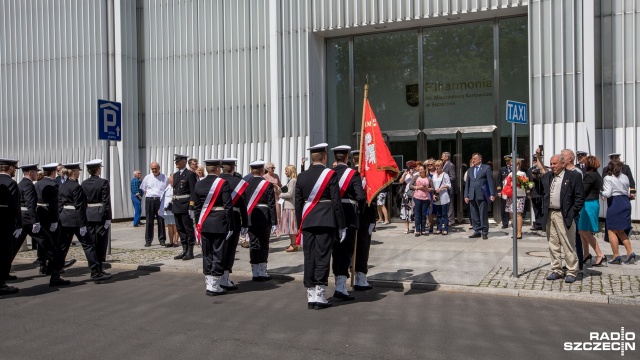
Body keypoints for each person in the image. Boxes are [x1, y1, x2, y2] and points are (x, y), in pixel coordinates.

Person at [295, 143, 346, 310]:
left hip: (307, 220)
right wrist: (341, 225)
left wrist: (300, 223)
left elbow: (298, 203)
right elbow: (336, 202)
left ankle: (311, 295)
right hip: (326, 220)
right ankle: (320, 295)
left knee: (309, 257)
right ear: (324, 157)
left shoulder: (301, 176)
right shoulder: (330, 174)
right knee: (323, 256)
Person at [12, 163, 69, 286]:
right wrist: (35, 221)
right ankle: (56, 273)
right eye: (34, 171)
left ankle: (3, 275)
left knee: (13, 248)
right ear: (30, 172)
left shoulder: (21, 184)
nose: (36, 174)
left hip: (23, 220)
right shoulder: (28, 185)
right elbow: (30, 204)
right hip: (29, 220)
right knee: (48, 245)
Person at [58, 163, 112, 282]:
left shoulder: (63, 185)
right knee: (89, 245)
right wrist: (82, 224)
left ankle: (55, 274)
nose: (79, 173)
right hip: (77, 219)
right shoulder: (76, 186)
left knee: (62, 247)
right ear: (74, 172)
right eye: (78, 171)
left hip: (65, 219)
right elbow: (80, 206)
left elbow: (60, 204)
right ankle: (95, 271)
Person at [539, 154, 584, 283]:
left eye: (555, 164)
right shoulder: (548, 176)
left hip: (564, 214)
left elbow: (580, 197)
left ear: (563, 164)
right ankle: (557, 269)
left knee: (568, 243)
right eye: (551, 164)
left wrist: (573, 212)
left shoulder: (573, 176)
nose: (552, 166)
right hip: (550, 214)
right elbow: (543, 193)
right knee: (553, 243)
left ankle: (572, 271)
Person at [192, 159, 234, 296]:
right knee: (218, 253)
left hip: (204, 222)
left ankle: (209, 282)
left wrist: (198, 224)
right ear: (217, 169)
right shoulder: (223, 183)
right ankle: (215, 285)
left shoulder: (199, 184)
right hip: (219, 222)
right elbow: (228, 206)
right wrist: (230, 225)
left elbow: (197, 208)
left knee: (207, 253)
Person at [330, 145, 365, 301]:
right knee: (345, 251)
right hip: (349, 215)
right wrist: (360, 211)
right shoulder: (353, 174)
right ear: (347, 158)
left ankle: (338, 282)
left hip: (331, 216)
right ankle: (341, 287)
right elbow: (361, 196)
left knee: (335, 251)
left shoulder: (328, 174)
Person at [218, 158, 249, 290]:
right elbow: (243, 204)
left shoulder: (215, 181)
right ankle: (224, 278)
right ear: (233, 168)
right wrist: (245, 223)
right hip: (234, 216)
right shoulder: (239, 183)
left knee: (219, 247)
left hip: (217, 217)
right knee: (230, 248)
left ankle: (215, 277)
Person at [245, 160, 277, 281]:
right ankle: (262, 272)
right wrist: (274, 221)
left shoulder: (246, 183)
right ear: (262, 171)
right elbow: (271, 204)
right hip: (264, 216)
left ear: (251, 171)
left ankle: (255, 271)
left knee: (253, 243)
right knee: (264, 244)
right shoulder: (267, 184)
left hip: (251, 216)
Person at [601, 160, 635, 264]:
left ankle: (616, 255)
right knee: (621, 230)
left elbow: (608, 193)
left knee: (611, 230)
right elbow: (628, 189)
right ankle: (630, 252)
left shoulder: (608, 178)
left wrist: (600, 192)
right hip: (625, 202)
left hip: (615, 203)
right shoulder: (624, 177)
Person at [351, 150, 375, 291]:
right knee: (363, 247)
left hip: (352, 217)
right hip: (365, 217)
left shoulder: (347, 174)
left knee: (351, 247)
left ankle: (351, 274)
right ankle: (360, 277)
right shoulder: (366, 175)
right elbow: (372, 198)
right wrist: (373, 219)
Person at [81, 159, 112, 266]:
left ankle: (92, 262)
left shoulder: (84, 183)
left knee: (91, 241)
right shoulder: (103, 182)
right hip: (100, 213)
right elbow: (106, 201)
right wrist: (108, 217)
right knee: (101, 241)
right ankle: (99, 262)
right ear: (98, 170)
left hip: (88, 213)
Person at [578, 156, 606, 266]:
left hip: (588, 204)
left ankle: (600, 254)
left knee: (584, 230)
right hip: (593, 203)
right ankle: (586, 254)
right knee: (582, 230)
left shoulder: (589, 176)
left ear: (587, 164)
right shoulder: (597, 175)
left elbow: (583, 191)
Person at [0, 158, 22, 295]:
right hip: (5, 222)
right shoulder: (11, 183)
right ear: (10, 168)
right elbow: (15, 206)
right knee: (4, 253)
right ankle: (1, 284)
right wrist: (18, 224)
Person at [560, 149, 584, 270]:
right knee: (566, 238)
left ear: (570, 158)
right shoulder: (562, 171)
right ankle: (569, 262)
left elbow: (579, 194)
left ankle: (579, 263)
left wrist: (574, 210)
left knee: (576, 238)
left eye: (563, 156)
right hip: (563, 211)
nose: (561, 158)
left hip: (572, 211)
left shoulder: (576, 172)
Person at [172, 154, 199, 260]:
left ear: (184, 162)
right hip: (176, 205)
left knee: (188, 228)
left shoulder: (190, 174)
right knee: (180, 229)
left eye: (178, 161)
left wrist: (191, 206)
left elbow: (193, 192)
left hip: (186, 205)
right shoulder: (175, 175)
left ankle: (190, 251)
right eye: (176, 161)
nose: (176, 163)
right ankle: (184, 250)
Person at [463, 153, 495, 239]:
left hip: (482, 195)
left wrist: (492, 194)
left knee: (483, 214)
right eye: (472, 159)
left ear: (480, 159)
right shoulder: (470, 170)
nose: (473, 160)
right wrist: (466, 195)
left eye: (474, 159)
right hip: (472, 195)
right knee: (474, 214)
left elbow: (490, 181)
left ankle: (484, 231)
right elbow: (467, 184)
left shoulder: (486, 168)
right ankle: (476, 230)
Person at [140, 162, 168, 247]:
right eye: (152, 169)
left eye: (155, 168)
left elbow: (167, 188)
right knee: (149, 220)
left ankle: (162, 239)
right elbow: (143, 189)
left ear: (159, 168)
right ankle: (148, 240)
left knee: (161, 220)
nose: (154, 170)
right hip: (150, 199)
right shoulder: (147, 177)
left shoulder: (164, 177)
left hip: (160, 200)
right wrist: (149, 196)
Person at [503, 158, 527, 239]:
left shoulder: (522, 173)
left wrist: (515, 181)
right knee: (511, 214)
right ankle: (515, 231)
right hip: (511, 196)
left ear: (518, 165)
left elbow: (524, 185)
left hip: (519, 195)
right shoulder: (510, 174)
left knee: (517, 214)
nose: (512, 166)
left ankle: (519, 232)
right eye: (511, 165)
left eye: (514, 165)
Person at [279, 165, 299, 252]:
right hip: (288, 205)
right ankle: (292, 243)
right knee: (289, 226)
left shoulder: (293, 181)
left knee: (291, 226)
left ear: (291, 171)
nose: (285, 172)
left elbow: (290, 194)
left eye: (286, 171)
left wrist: (281, 194)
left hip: (290, 206)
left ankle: (294, 244)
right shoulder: (291, 181)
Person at [409, 165, 432, 237]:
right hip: (417, 197)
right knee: (417, 214)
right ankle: (417, 230)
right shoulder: (416, 177)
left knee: (423, 214)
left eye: (422, 169)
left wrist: (427, 189)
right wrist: (417, 187)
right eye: (419, 169)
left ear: (425, 170)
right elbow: (410, 185)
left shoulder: (428, 178)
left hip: (425, 198)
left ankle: (423, 230)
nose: (420, 171)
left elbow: (433, 188)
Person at [159, 176, 179, 247]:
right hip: (166, 210)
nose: (170, 181)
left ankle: (176, 241)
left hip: (174, 209)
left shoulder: (177, 187)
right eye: (169, 180)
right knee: (169, 225)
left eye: (172, 180)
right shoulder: (167, 187)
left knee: (175, 225)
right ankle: (171, 241)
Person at [263, 161, 282, 236]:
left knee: (277, 213)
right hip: (268, 197)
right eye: (272, 168)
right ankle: (269, 228)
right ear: (267, 169)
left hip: (276, 196)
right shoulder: (264, 177)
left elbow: (280, 185)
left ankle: (277, 229)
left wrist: (282, 189)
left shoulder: (276, 176)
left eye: (274, 167)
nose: (273, 169)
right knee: (269, 212)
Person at [432, 160, 451, 235]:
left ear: (441, 166)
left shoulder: (445, 175)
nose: (437, 167)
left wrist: (442, 187)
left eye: (438, 166)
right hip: (437, 196)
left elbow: (449, 185)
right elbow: (433, 186)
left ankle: (445, 229)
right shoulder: (434, 175)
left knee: (444, 213)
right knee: (438, 214)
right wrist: (433, 194)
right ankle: (439, 228)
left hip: (443, 196)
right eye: (436, 166)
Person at [527, 155, 545, 231]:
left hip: (542, 192)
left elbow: (544, 181)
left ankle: (543, 224)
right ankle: (538, 224)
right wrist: (529, 192)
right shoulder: (530, 170)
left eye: (536, 160)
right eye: (534, 160)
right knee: (536, 209)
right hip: (534, 192)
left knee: (543, 209)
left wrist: (538, 177)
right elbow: (529, 181)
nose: (535, 161)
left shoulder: (543, 169)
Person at [399, 162, 417, 234]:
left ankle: (416, 227)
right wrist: (404, 175)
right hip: (406, 193)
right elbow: (400, 182)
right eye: (409, 167)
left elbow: (416, 183)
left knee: (414, 210)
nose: (410, 169)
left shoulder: (417, 174)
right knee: (406, 210)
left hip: (414, 193)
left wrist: (412, 175)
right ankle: (406, 228)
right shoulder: (406, 173)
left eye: (411, 167)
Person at [497, 156, 512, 229]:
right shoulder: (502, 169)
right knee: (504, 208)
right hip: (504, 192)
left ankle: (513, 222)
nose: (508, 163)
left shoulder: (514, 169)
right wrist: (499, 191)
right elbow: (499, 181)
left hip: (512, 192)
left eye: (509, 161)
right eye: (506, 162)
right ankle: (505, 223)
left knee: (512, 207)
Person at [441, 152, 456, 225]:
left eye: (442, 156)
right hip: (444, 189)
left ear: (447, 157)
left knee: (450, 205)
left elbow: (453, 177)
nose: (441, 158)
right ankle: (447, 219)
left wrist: (444, 179)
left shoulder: (450, 165)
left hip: (449, 189)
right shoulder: (444, 165)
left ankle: (451, 220)